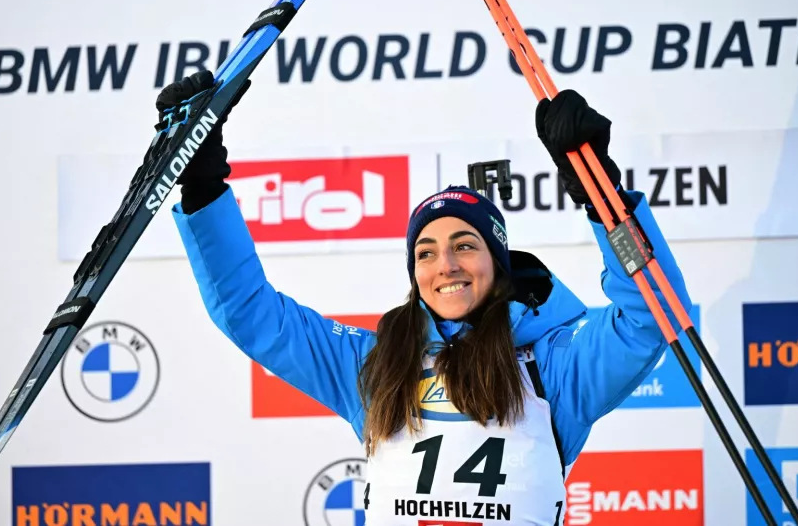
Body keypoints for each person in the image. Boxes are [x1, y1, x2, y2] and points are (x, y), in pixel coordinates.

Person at [162, 70, 692, 525]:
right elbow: (252, 315)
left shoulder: (554, 367)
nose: (447, 266)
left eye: (465, 245)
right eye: (426, 253)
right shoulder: (377, 365)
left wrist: (605, 204)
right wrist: (204, 187)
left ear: (497, 263)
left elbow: (652, 314)